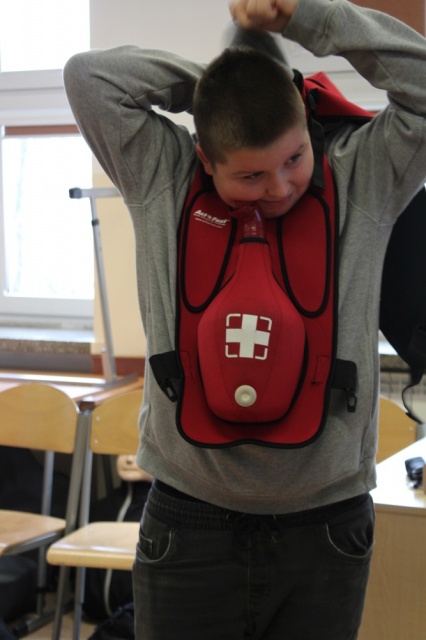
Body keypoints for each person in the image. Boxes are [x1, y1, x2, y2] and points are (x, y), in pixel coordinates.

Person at [63, 0, 426, 637]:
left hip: (325, 528)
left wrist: (309, 19)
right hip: (190, 524)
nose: (280, 188)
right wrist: (223, 90)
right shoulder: (164, 176)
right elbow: (87, 77)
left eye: (294, 158)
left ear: (307, 123)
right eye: (251, 174)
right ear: (206, 157)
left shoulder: (360, 175)